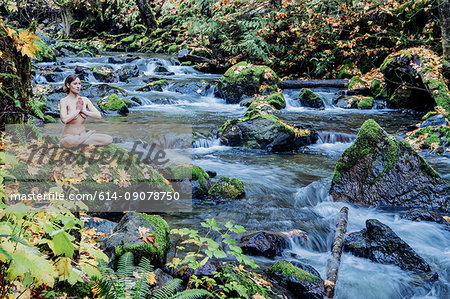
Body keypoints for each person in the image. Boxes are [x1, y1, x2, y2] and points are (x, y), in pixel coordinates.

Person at [59, 74, 113, 148]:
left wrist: (84, 111)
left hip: (82, 135)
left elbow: (98, 116)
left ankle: (81, 142)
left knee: (109, 139)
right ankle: (87, 136)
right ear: (68, 85)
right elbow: (64, 120)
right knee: (70, 141)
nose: (78, 86)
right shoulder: (64, 101)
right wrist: (77, 111)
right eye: (75, 84)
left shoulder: (85, 100)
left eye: (79, 84)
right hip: (68, 137)